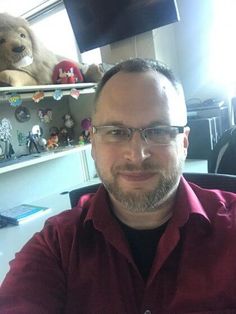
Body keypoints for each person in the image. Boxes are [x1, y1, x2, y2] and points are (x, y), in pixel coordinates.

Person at [0, 58, 236, 313]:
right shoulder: (56, 247)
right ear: (93, 143)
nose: (136, 155)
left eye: (158, 131)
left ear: (184, 142)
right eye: (115, 131)